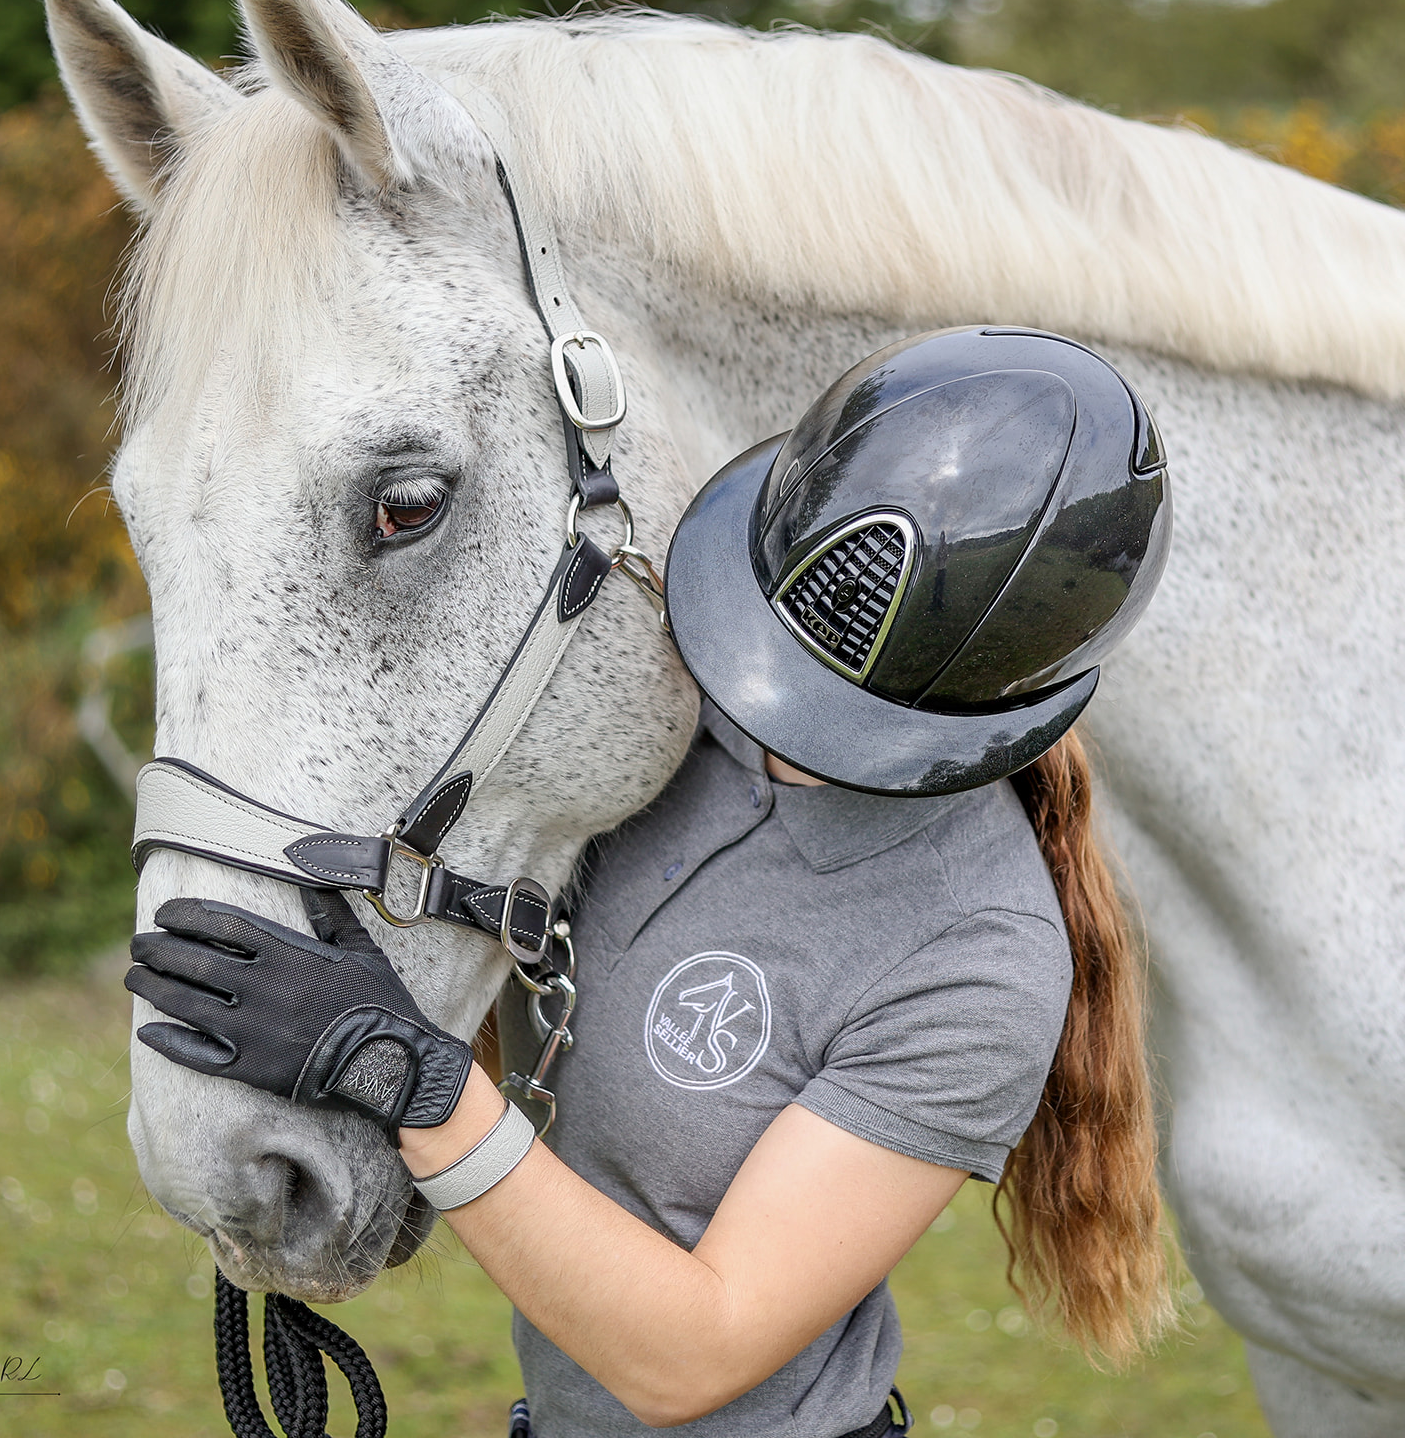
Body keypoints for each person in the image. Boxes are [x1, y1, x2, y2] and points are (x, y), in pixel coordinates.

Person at [127, 327, 1177, 1438]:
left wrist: (405, 1075)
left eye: (832, 717)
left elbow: (692, 1352)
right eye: (775, 647)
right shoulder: (667, 713)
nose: (764, 722)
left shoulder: (976, 955)